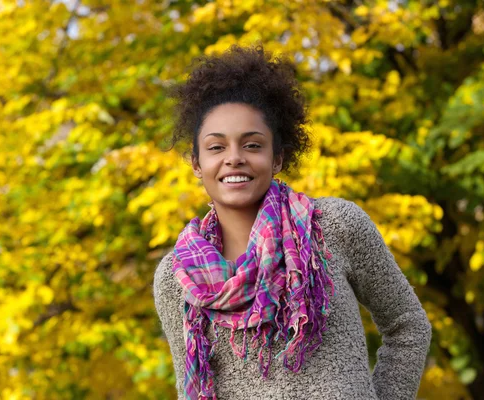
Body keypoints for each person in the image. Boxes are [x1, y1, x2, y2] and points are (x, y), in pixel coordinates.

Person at [153, 44, 431, 400]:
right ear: (196, 163)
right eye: (216, 147)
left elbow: (407, 326)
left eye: (252, 145)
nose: (234, 158)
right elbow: (191, 388)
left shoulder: (334, 226)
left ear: (278, 157)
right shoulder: (176, 277)